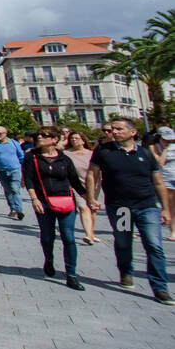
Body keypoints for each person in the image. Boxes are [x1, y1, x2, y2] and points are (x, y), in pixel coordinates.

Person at [87, 117, 174, 304]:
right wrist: (92, 197)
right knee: (124, 241)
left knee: (154, 245)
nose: (114, 132)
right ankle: (126, 271)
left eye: (119, 129)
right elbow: (92, 175)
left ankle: (160, 287)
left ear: (132, 132)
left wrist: (165, 209)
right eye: (112, 129)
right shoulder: (104, 152)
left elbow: (158, 182)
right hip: (121, 208)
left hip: (147, 206)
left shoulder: (145, 154)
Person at [23, 126, 90, 291]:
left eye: (44, 135)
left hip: (66, 201)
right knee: (47, 236)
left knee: (69, 237)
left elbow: (74, 180)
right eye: (38, 135)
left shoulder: (64, 159)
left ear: (54, 139)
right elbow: (29, 179)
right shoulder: (32, 157)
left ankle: (71, 275)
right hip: (44, 202)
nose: (39, 137)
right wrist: (34, 199)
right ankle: (49, 259)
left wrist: (89, 198)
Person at [63, 131, 99, 244]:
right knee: (83, 207)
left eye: (77, 138)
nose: (74, 140)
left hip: (92, 184)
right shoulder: (66, 154)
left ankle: (91, 232)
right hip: (75, 184)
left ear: (83, 140)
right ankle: (88, 235)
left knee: (92, 208)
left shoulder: (92, 153)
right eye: (72, 138)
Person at [0, 125, 27, 220]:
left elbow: (21, 157)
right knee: (8, 190)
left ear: (5, 134)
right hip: (1, 170)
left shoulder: (14, 143)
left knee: (14, 189)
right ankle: (12, 208)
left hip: (15, 170)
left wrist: (25, 171)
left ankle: (19, 210)